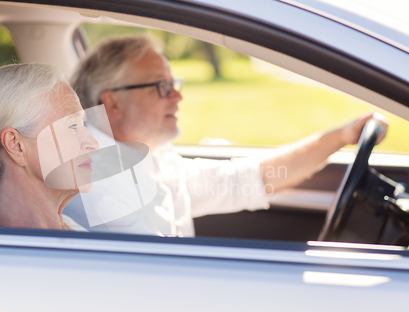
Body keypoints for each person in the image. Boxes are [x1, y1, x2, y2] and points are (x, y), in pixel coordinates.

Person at [64, 35, 387, 236]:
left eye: (174, 85)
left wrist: (343, 135)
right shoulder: (94, 183)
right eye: (162, 87)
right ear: (113, 102)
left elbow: (248, 180)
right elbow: (154, 279)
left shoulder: (152, 156)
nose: (177, 97)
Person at [0, 63, 99, 230]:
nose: (94, 144)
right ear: (16, 145)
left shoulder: (78, 232)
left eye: (82, 123)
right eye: (71, 127)